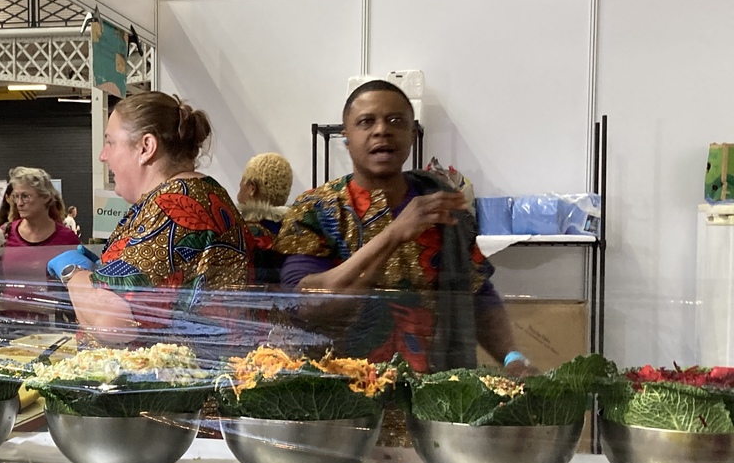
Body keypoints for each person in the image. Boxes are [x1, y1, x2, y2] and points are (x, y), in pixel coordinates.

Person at [274, 80, 529, 373]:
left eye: (396, 121)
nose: (381, 130)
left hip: (436, 389)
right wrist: (393, 234)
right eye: (366, 122)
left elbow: (476, 294)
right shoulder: (316, 209)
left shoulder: (441, 206)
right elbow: (305, 304)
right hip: (341, 388)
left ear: (412, 134)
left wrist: (512, 358)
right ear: (346, 137)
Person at [46, 91, 250, 347]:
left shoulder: (173, 204)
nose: (103, 155)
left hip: (171, 370)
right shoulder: (196, 193)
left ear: (146, 148)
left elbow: (111, 322)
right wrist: (103, 272)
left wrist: (73, 272)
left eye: (110, 142)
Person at [0, 167, 80, 328]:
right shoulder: (5, 234)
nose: (19, 203)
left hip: (52, 327)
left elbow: (79, 286)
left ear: (45, 197)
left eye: (25, 196)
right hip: (9, 325)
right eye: (16, 196)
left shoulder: (66, 239)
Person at [237, 152, 294, 286]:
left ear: (252, 188)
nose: (240, 184)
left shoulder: (244, 232)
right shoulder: (293, 229)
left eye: (243, 180)